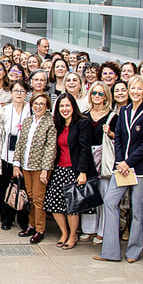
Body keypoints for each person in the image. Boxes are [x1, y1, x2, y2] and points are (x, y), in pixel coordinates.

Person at [95, 76, 143, 263]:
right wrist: (121, 161)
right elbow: (120, 139)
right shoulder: (124, 110)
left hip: (142, 169)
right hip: (122, 167)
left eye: (139, 89)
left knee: (137, 209)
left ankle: (133, 251)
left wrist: (129, 163)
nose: (135, 92)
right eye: (132, 88)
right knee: (110, 200)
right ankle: (110, 252)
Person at [47, 93, 96, 249]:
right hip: (59, 169)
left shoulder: (82, 123)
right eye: (61, 106)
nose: (64, 109)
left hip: (73, 170)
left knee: (71, 206)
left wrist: (82, 172)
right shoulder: (59, 124)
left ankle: (73, 235)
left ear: (74, 106)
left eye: (68, 105)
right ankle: (64, 232)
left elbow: (84, 149)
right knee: (53, 203)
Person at [13, 93, 55, 242]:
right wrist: (16, 163)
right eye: (35, 103)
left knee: (38, 199)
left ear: (47, 107)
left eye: (41, 104)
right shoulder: (28, 121)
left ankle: (40, 229)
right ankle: (31, 225)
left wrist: (45, 169)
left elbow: (50, 148)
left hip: (40, 168)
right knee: (30, 197)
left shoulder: (50, 123)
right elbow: (20, 143)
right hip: (26, 165)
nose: (38, 106)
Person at [81, 81, 116, 243]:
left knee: (104, 196)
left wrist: (110, 134)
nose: (97, 96)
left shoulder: (112, 116)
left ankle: (102, 231)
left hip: (104, 157)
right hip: (87, 156)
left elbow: (119, 138)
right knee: (88, 194)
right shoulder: (84, 114)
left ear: (106, 97)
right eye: (94, 93)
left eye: (100, 94)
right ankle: (89, 229)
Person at [0, 80, 29, 232]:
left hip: (24, 158)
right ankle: (6, 219)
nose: (19, 94)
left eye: (22, 91)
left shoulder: (31, 110)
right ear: (11, 93)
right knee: (4, 189)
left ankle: (22, 219)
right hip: (5, 156)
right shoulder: (5, 110)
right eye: (16, 91)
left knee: (22, 189)